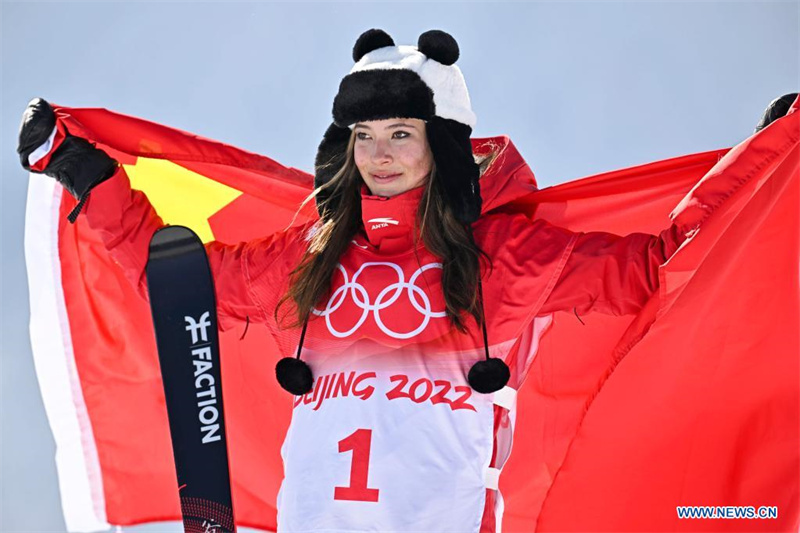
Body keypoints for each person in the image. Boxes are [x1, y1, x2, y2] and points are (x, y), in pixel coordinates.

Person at [17, 28, 796, 533]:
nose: (380, 154)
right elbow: (180, 286)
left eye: (401, 133)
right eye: (364, 135)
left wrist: (762, 168)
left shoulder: (505, 258)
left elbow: (661, 268)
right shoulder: (309, 258)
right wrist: (85, 172)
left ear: (443, 145)